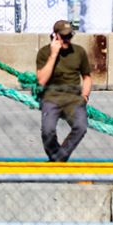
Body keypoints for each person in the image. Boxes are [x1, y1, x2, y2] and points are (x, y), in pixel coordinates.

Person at [35, 19, 92, 162]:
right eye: (64, 36)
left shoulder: (79, 52)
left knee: (81, 126)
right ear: (55, 36)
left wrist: (85, 96)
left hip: (73, 98)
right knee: (47, 131)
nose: (67, 39)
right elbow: (41, 80)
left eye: (69, 36)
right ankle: (58, 159)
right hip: (51, 96)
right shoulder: (44, 53)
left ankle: (59, 159)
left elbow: (87, 77)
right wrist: (54, 54)